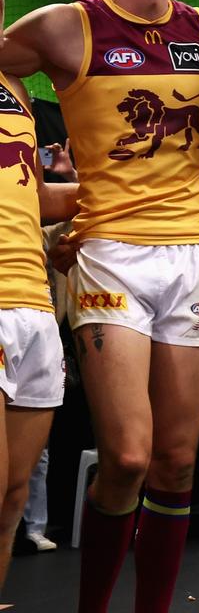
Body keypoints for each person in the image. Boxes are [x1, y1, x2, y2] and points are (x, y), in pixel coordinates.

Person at [0, 0, 199, 609]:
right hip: (110, 251)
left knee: (176, 462)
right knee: (130, 457)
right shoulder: (65, 26)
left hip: (194, 253)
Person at [0, 71, 77, 592]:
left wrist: (116, 188)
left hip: (36, 308)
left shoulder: (14, 87)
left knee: (12, 494)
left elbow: (33, 196)